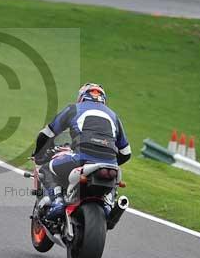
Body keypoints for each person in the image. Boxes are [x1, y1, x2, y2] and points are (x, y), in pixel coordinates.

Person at [32, 83, 131, 221]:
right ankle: (110, 208)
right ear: (103, 100)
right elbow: (126, 153)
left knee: (45, 169)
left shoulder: (73, 109)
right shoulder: (114, 116)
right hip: (110, 165)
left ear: (81, 97)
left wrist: (38, 155)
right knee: (112, 185)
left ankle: (58, 202)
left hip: (81, 158)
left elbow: (47, 134)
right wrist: (107, 162)